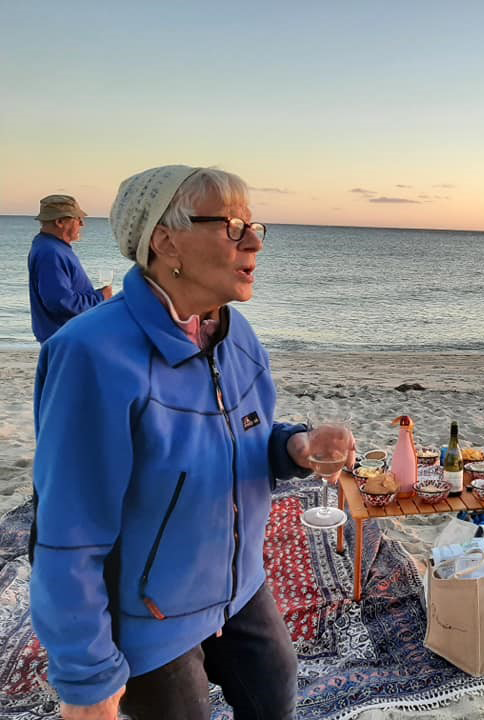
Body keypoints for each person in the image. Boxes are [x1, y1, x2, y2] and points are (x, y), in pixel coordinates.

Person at [28, 165, 355, 720]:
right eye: (231, 225)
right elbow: (65, 529)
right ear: (164, 239)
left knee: (276, 692)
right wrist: (87, 677)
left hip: (241, 583)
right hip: (150, 614)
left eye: (255, 226)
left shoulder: (236, 335)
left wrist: (294, 448)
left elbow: (237, 441)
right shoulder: (91, 353)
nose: (254, 241)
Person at [27, 194, 113, 343]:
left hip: (67, 337)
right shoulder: (50, 252)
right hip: (66, 340)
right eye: (78, 219)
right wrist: (101, 297)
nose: (82, 224)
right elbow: (60, 302)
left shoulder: (52, 247)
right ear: (60, 221)